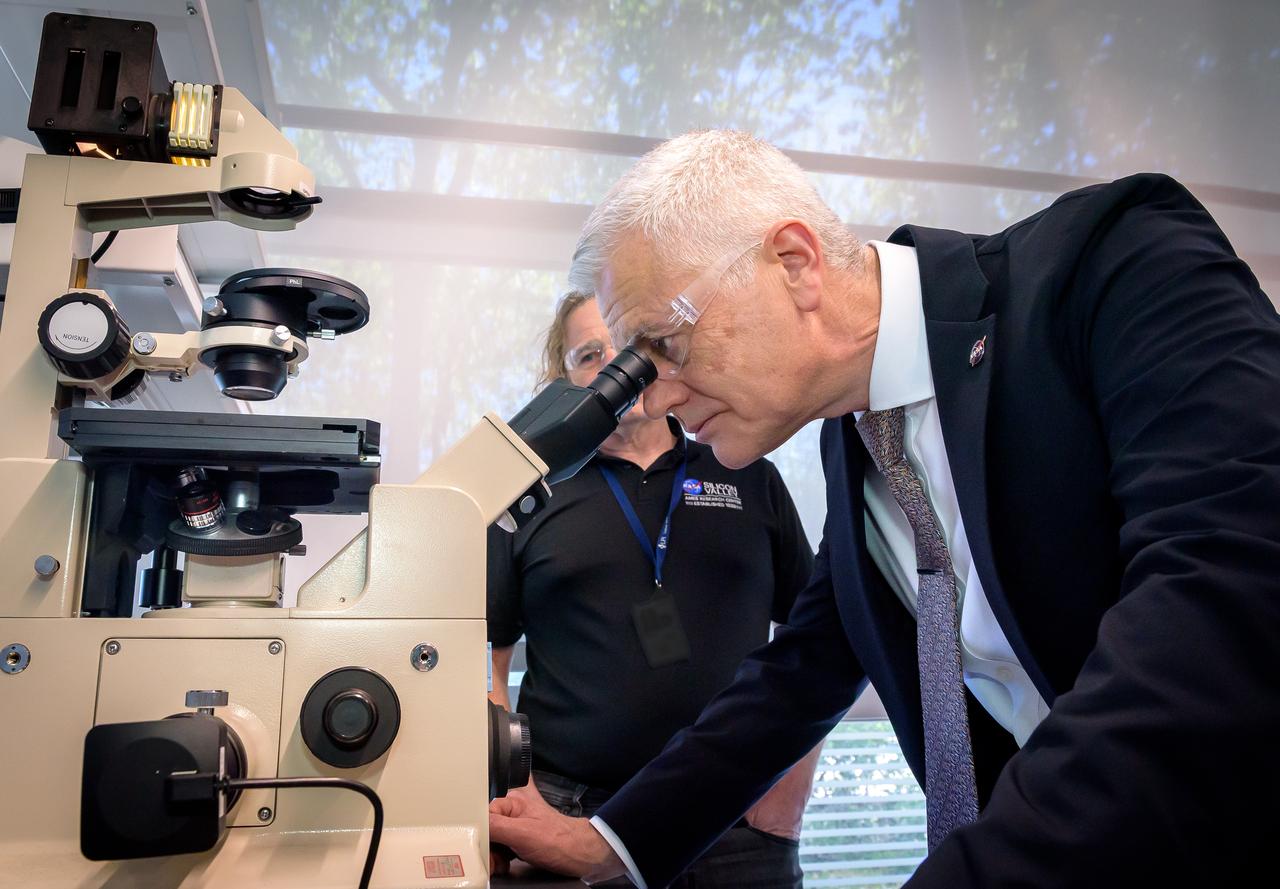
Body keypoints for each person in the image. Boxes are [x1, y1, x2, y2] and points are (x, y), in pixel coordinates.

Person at [489, 130, 1280, 888]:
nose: (652, 395)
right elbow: (802, 667)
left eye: (664, 345)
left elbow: (1227, 602)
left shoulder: (1114, 263)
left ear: (794, 262)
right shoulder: (858, 439)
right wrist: (617, 841)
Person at [487, 291, 820, 887]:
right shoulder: (527, 496)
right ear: (563, 379)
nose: (614, 366)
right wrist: (519, 793)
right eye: (591, 355)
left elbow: (818, 640)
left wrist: (787, 791)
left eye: (627, 347)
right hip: (571, 811)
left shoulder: (745, 471)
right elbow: (481, 663)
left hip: (735, 817)